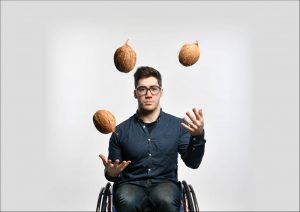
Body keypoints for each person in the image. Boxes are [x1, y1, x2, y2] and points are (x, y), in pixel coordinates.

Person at [99, 66, 206, 212]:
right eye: (142, 89)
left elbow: (193, 163)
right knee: (126, 199)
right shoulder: (119, 131)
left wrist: (197, 136)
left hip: (165, 184)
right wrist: (111, 173)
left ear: (161, 92)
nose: (148, 94)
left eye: (153, 88)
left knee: (165, 198)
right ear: (135, 93)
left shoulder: (178, 126)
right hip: (131, 185)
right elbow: (113, 173)